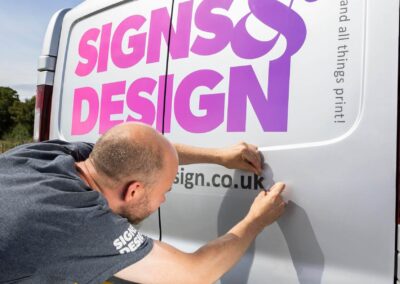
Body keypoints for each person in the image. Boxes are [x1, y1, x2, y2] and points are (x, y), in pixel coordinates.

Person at [0, 122, 286, 284]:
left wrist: (219, 156)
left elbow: (140, 151)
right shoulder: (74, 220)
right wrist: (256, 220)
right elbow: (194, 274)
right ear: (134, 191)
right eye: (166, 190)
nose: (164, 199)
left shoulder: (53, 154)